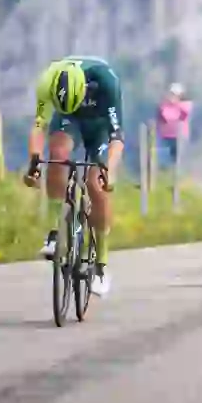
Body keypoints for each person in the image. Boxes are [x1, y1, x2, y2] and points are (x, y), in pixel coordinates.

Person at [23, 56, 125, 297]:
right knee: (57, 155)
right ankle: (54, 232)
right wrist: (34, 163)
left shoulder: (107, 82)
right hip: (68, 120)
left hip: (100, 126)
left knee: (95, 184)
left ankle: (100, 265)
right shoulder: (47, 81)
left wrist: (108, 171)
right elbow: (39, 126)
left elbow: (117, 140)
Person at [156, 82, 192, 169]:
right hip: (166, 136)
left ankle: (178, 177)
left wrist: (176, 104)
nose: (172, 97)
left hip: (179, 137)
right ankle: (165, 175)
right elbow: (162, 117)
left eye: (175, 94)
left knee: (178, 160)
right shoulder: (164, 106)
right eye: (171, 94)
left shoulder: (185, 105)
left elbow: (184, 115)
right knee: (165, 160)